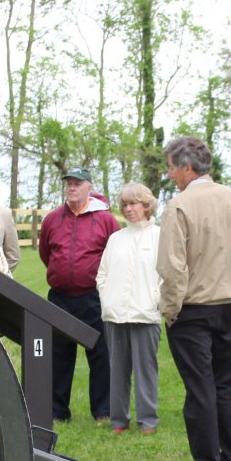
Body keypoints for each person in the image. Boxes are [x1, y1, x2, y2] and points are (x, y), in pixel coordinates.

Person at [156, 136, 231, 461]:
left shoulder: (179, 206)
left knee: (200, 392)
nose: (170, 174)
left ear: (187, 167)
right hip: (227, 307)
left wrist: (170, 310)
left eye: (171, 167)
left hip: (192, 310)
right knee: (220, 388)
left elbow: (172, 267)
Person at [39, 168, 119, 424]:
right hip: (60, 296)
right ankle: (57, 410)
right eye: (69, 184)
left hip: (93, 297)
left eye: (77, 183)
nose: (72, 187)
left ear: (88, 187)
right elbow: (45, 253)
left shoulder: (105, 220)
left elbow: (116, 254)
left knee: (100, 353)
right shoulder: (53, 219)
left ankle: (103, 410)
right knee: (59, 354)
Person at [97, 183, 161, 435]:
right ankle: (118, 420)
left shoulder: (159, 236)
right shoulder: (116, 239)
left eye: (134, 203)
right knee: (118, 370)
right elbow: (102, 275)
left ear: (146, 205)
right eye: (124, 204)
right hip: (115, 315)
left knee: (146, 370)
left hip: (146, 314)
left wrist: (156, 299)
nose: (129, 209)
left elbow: (168, 274)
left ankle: (148, 420)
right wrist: (108, 299)